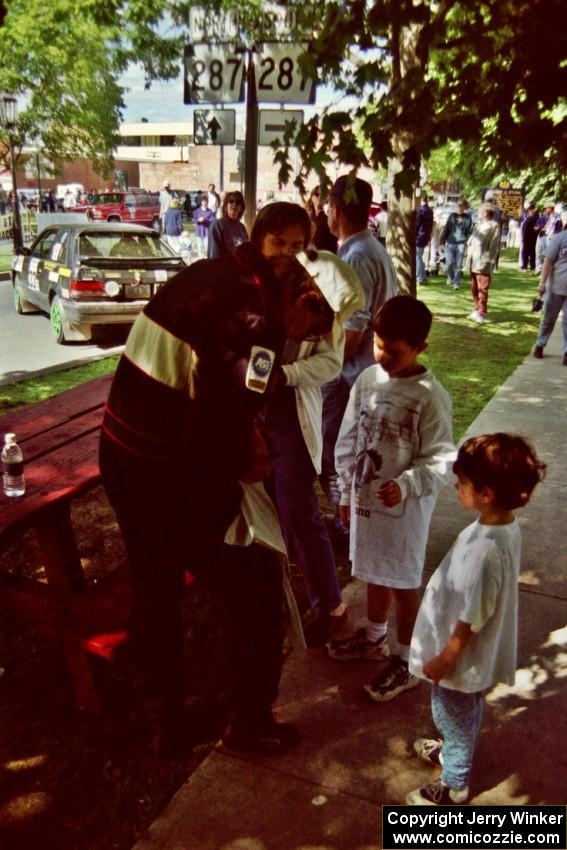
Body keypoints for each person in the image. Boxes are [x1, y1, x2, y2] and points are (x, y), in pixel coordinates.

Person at [100, 243, 335, 755]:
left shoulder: (224, 274)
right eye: (310, 330)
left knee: (154, 586)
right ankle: (249, 723)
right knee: (254, 581)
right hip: (165, 470)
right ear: (307, 298)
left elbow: (209, 390)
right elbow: (212, 435)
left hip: (123, 450)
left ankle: (167, 722)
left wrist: (238, 435)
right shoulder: (259, 325)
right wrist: (247, 464)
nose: (300, 343)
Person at [327, 296, 455, 701]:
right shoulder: (367, 381)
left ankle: (407, 658)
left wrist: (407, 484)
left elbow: (439, 459)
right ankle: (375, 637)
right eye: (378, 345)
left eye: (394, 351)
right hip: (367, 502)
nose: (382, 356)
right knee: (372, 570)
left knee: (402, 580)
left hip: (404, 512)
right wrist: (347, 489)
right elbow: (350, 437)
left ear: (421, 348)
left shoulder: (429, 397)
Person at [406, 434, 546, 805]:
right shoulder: (499, 524)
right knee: (461, 710)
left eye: (461, 483)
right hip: (463, 653)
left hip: (461, 656)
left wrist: (446, 657)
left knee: (451, 711)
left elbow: (474, 615)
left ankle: (454, 783)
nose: (456, 487)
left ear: (485, 493)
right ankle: (452, 750)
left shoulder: (489, 550)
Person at [250, 202, 364, 646]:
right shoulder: (244, 288)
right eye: (278, 242)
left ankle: (329, 605)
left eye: (297, 244)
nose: (287, 252)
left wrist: (286, 375)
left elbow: (331, 364)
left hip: (289, 417)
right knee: (258, 516)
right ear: (258, 239)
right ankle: (268, 603)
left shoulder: (318, 291)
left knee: (299, 514)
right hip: (245, 414)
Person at [321, 175, 398, 541]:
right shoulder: (363, 248)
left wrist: (327, 369)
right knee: (345, 452)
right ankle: (347, 520)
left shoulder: (357, 255)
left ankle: (345, 523)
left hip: (351, 377)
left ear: (335, 210)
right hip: (360, 373)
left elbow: (354, 327)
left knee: (335, 453)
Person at [533, 228, 567, 366]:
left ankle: (566, 353)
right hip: (555, 288)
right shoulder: (560, 238)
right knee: (548, 319)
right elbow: (548, 261)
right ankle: (540, 344)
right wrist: (542, 284)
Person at [467, 203, 500, 324]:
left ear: (486, 212)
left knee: (483, 288)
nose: (478, 213)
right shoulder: (479, 225)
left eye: (480, 211)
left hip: (483, 261)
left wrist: (490, 260)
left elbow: (494, 244)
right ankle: (476, 309)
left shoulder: (494, 225)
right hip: (473, 260)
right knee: (474, 287)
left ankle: (482, 312)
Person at [441, 199, 472, 289]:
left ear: (464, 207)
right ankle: (450, 277)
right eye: (458, 206)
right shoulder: (452, 216)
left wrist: (467, 239)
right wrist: (442, 241)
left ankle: (456, 283)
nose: (459, 208)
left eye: (461, 206)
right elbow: (447, 228)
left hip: (461, 243)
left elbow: (469, 230)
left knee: (458, 264)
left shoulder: (467, 217)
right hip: (450, 242)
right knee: (449, 263)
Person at [207, 191, 248, 258]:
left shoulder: (242, 228)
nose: (234, 204)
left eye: (238, 202)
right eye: (231, 201)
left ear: (241, 208)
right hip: (223, 267)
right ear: (226, 206)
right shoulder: (217, 226)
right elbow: (213, 257)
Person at [305, 186, 338, 253]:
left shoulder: (328, 218)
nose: (320, 197)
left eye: (323, 194)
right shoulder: (307, 218)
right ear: (312, 197)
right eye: (317, 194)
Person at [416, 194, 434, 286]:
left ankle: (420, 278)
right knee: (419, 257)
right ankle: (423, 277)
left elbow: (417, 225)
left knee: (418, 257)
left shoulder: (421, 211)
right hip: (425, 236)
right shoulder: (430, 211)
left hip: (419, 237)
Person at [192, 194, 215, 258]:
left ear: (207, 202)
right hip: (199, 231)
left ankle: (207, 260)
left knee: (207, 248)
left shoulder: (210, 211)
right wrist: (198, 220)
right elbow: (193, 220)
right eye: (203, 201)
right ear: (201, 202)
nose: (204, 203)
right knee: (199, 248)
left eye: (205, 201)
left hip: (207, 232)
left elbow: (212, 221)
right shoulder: (197, 211)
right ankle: (200, 259)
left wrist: (205, 220)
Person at [520, 205, 539, 272]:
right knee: (530, 252)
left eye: (529, 210)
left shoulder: (533, 218)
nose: (528, 211)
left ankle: (526, 266)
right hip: (528, 237)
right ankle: (531, 267)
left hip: (529, 238)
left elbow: (532, 229)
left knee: (527, 252)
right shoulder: (530, 218)